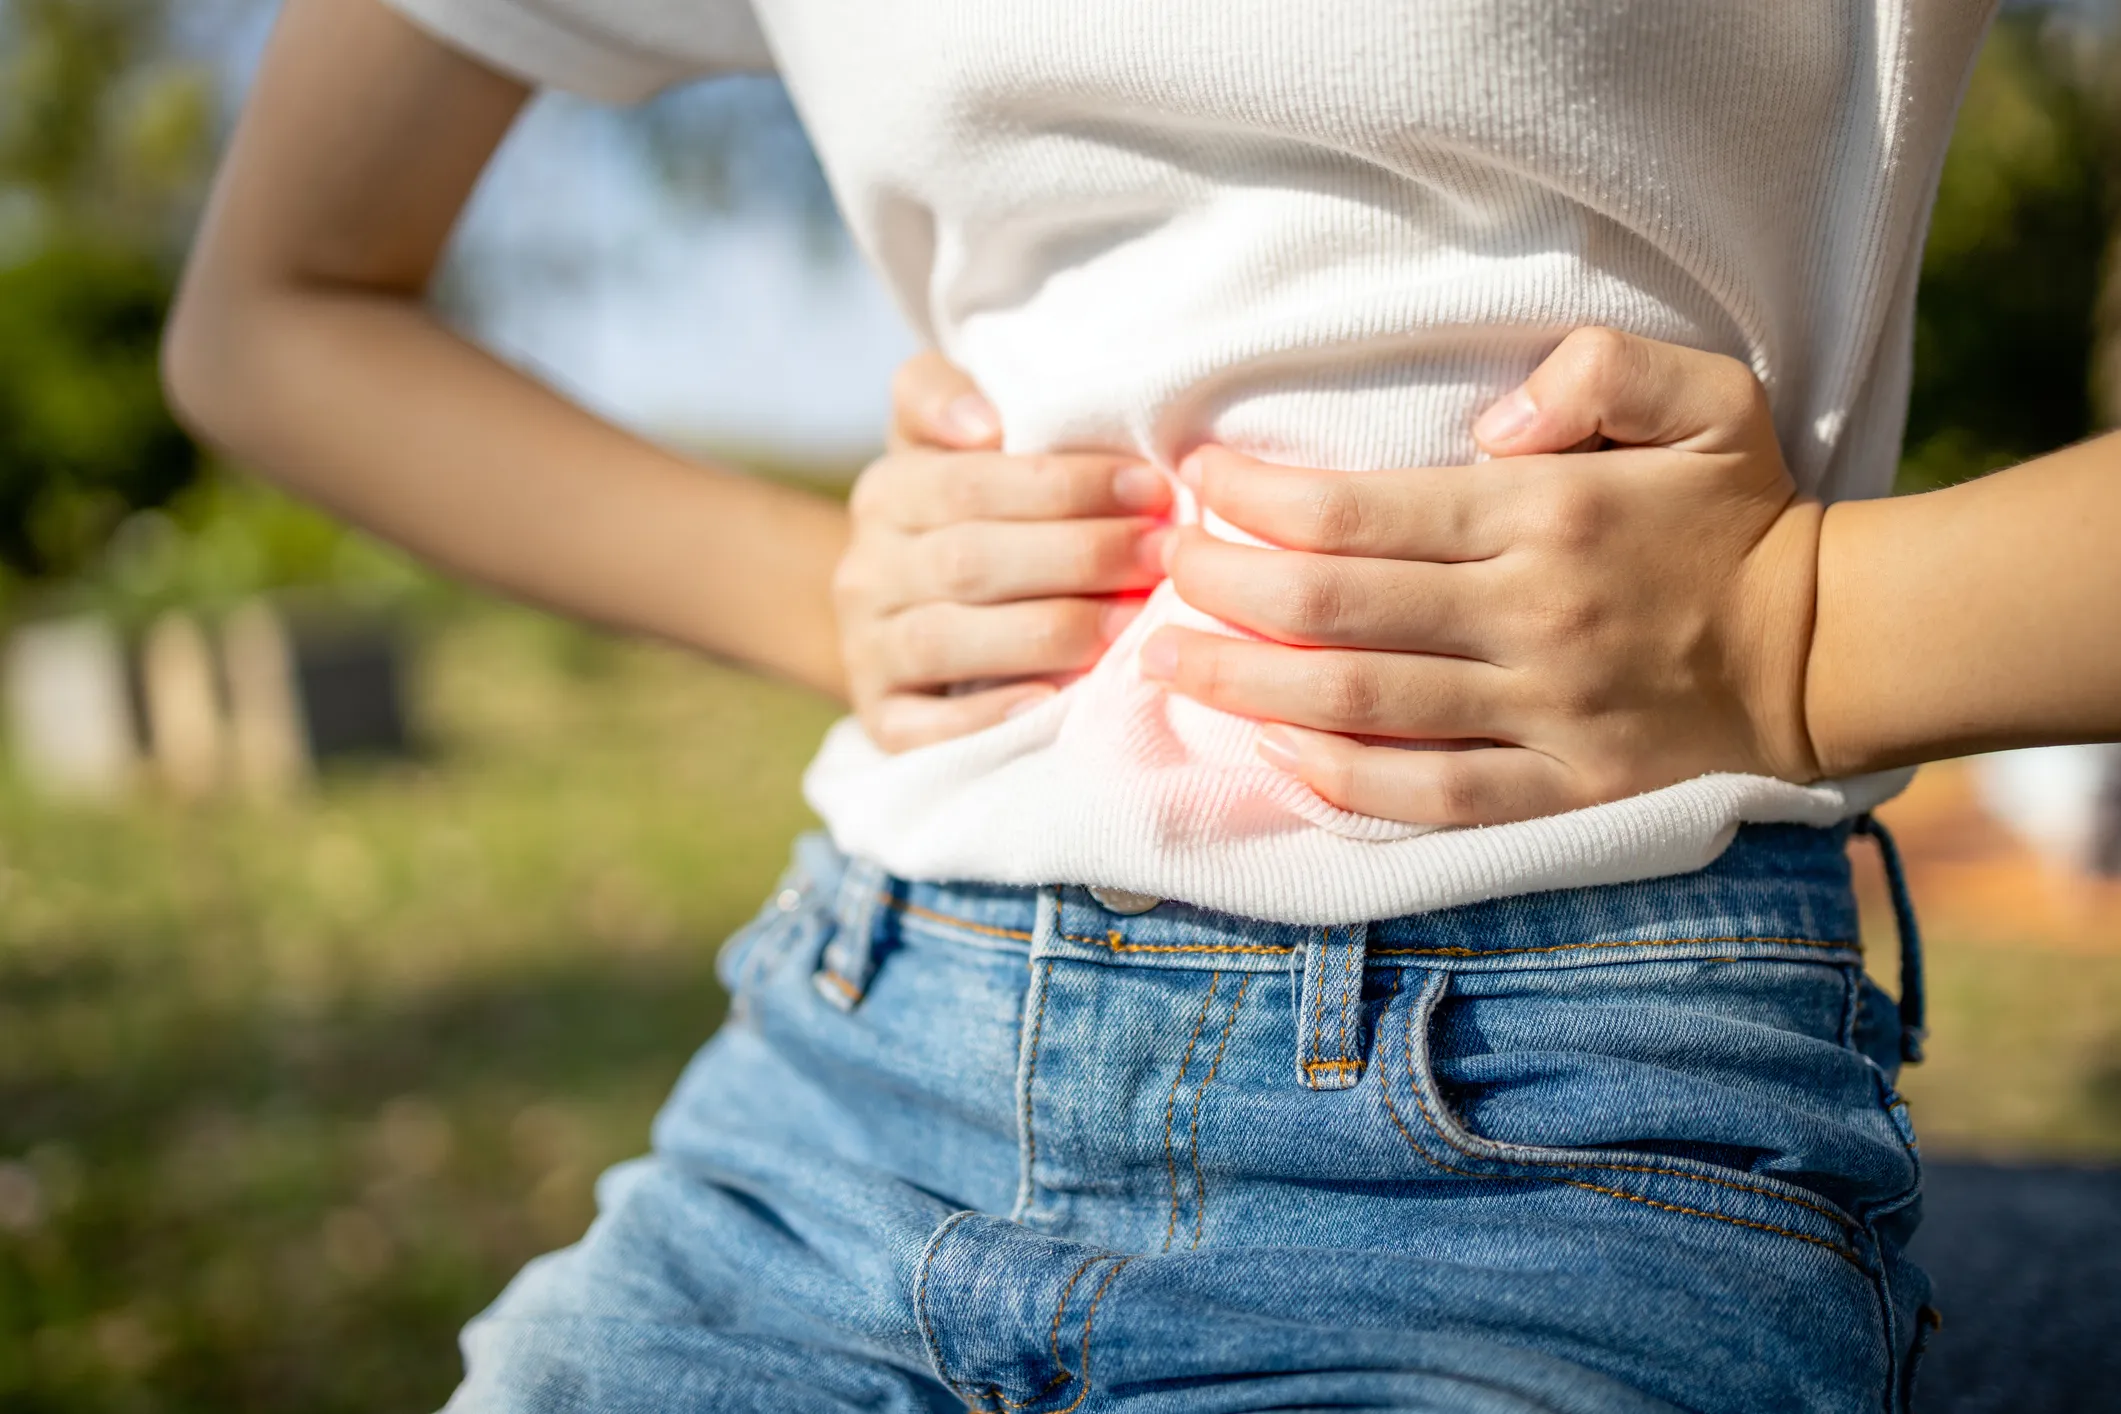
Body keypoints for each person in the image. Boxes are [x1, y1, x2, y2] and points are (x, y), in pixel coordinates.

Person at [161, 1, 2121, 1409]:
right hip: (862, 1070)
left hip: (1561, 1103)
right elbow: (274, 313)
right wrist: (823, 592)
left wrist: (1795, 628)